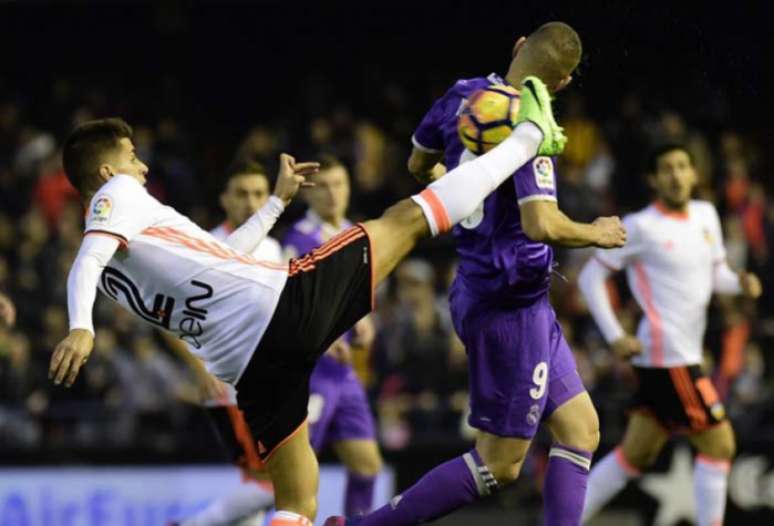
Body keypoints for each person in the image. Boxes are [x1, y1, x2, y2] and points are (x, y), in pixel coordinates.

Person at [49, 73, 574, 526]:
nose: (141, 167)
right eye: (132, 157)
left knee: (298, 500)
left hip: (249, 369)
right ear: (104, 172)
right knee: (407, 220)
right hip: (282, 308)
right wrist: (81, 327)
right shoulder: (112, 199)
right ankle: (528, 139)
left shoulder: (128, 252)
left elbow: (222, 255)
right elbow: (87, 258)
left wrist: (276, 202)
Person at [327, 21, 626, 526]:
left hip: (494, 291)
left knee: (581, 430)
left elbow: (418, 164)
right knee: (499, 464)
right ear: (564, 82)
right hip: (508, 309)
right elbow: (541, 223)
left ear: (517, 47)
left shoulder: (461, 96)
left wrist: (464, 185)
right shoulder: (531, 126)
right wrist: (596, 231)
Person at [578, 143, 762, 526]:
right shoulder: (642, 226)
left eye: (683, 166)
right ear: (653, 179)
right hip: (668, 356)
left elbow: (715, 275)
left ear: (695, 174)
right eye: (667, 168)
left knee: (637, 454)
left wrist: (739, 282)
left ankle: (562, 518)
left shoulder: (706, 215)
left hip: (680, 355)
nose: (676, 175)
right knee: (720, 442)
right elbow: (590, 276)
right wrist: (614, 334)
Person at [174, 159, 284, 526]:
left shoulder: (272, 248)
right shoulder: (205, 245)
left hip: (265, 380)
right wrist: (198, 368)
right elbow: (166, 316)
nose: (250, 203)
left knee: (256, 481)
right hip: (226, 383)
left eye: (258, 194)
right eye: (241, 194)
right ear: (224, 199)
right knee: (274, 485)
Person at [282, 154, 383, 517]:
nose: (332, 193)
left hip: (345, 375)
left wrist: (366, 322)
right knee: (296, 475)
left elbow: (356, 295)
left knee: (367, 465)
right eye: (323, 186)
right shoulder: (298, 240)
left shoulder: (355, 234)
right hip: (313, 373)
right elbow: (292, 307)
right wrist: (327, 340)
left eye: (339, 184)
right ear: (308, 193)